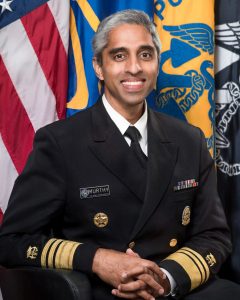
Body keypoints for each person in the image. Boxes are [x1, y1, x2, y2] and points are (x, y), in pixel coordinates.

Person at [0, 9, 240, 300]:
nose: (135, 68)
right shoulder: (60, 143)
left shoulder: (188, 139)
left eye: (145, 54)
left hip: (168, 289)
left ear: (157, 64)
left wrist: (165, 278)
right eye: (119, 56)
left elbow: (214, 235)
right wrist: (98, 259)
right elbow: (12, 241)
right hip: (102, 290)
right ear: (98, 67)